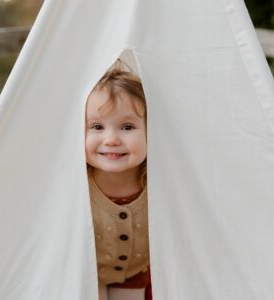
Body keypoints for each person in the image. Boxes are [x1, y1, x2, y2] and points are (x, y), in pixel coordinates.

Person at [85, 59, 152, 300]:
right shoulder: (75, 185)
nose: (111, 139)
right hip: (85, 272)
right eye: (97, 126)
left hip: (134, 273)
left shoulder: (158, 182)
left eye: (126, 126)